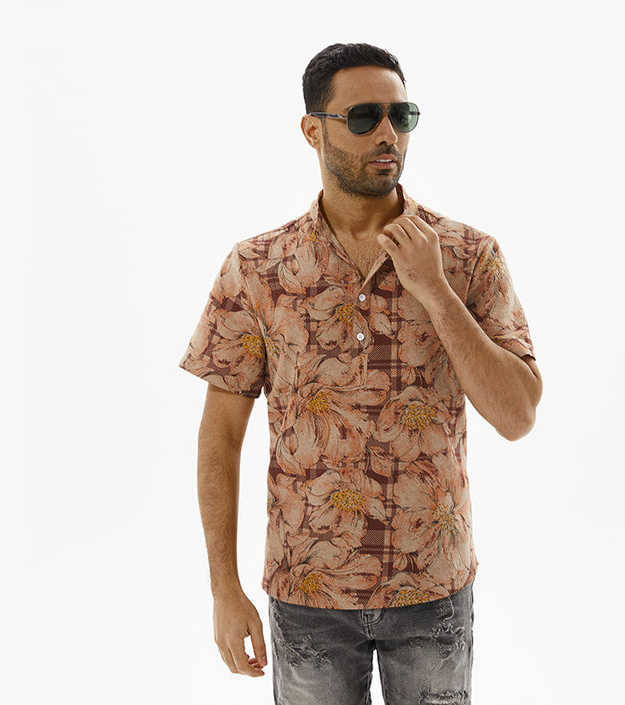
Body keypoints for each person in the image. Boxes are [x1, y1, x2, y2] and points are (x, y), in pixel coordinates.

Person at [179, 42, 542, 705]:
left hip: (432, 587)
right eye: (364, 116)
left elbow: (518, 416)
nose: (387, 134)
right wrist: (223, 589)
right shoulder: (258, 267)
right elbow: (219, 439)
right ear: (311, 130)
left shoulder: (467, 256)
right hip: (306, 591)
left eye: (401, 116)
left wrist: (435, 290)